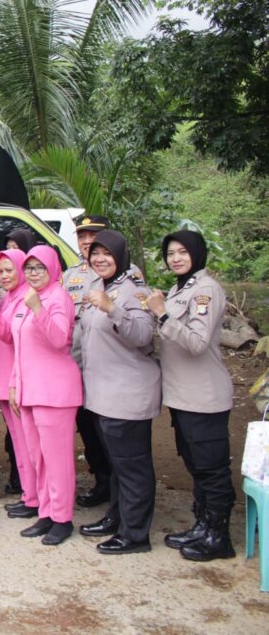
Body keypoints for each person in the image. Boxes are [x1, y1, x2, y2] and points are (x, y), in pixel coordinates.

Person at [146, 230, 237, 561]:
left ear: (197, 253)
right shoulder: (179, 288)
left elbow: (197, 343)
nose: (176, 258)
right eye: (170, 253)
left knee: (212, 469)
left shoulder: (205, 291)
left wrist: (163, 314)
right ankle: (203, 525)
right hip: (182, 397)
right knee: (197, 466)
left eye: (183, 252)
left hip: (204, 397)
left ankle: (219, 537)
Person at [74, 231, 160, 554]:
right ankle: (117, 518)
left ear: (120, 256)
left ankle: (135, 535)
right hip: (102, 394)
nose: (99, 259)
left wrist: (112, 309)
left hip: (128, 396)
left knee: (133, 468)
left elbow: (142, 334)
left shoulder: (134, 291)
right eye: (95, 253)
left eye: (106, 254)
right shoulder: (98, 287)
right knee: (116, 466)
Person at [9, 245, 80, 546]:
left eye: (40, 267)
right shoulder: (28, 298)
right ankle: (47, 513)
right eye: (29, 268)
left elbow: (59, 339)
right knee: (38, 457)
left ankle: (63, 518)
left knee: (58, 459)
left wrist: (39, 309)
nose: (34, 273)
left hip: (55, 391)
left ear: (52, 268)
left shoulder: (57, 297)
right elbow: (19, 345)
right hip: (29, 390)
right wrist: (14, 383)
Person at [62, 214, 115, 507]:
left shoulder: (123, 272)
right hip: (76, 368)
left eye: (93, 236)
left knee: (109, 431)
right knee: (87, 428)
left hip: (107, 370)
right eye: (82, 237)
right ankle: (101, 481)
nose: (86, 242)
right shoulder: (71, 276)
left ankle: (119, 488)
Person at [0, 249, 38, 520]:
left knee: (29, 443)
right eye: (1, 271)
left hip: (19, 381)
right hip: (6, 379)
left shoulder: (27, 298)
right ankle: (29, 495)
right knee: (18, 440)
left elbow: (8, 336)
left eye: (10, 270)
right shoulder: (9, 298)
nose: (5, 276)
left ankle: (35, 498)